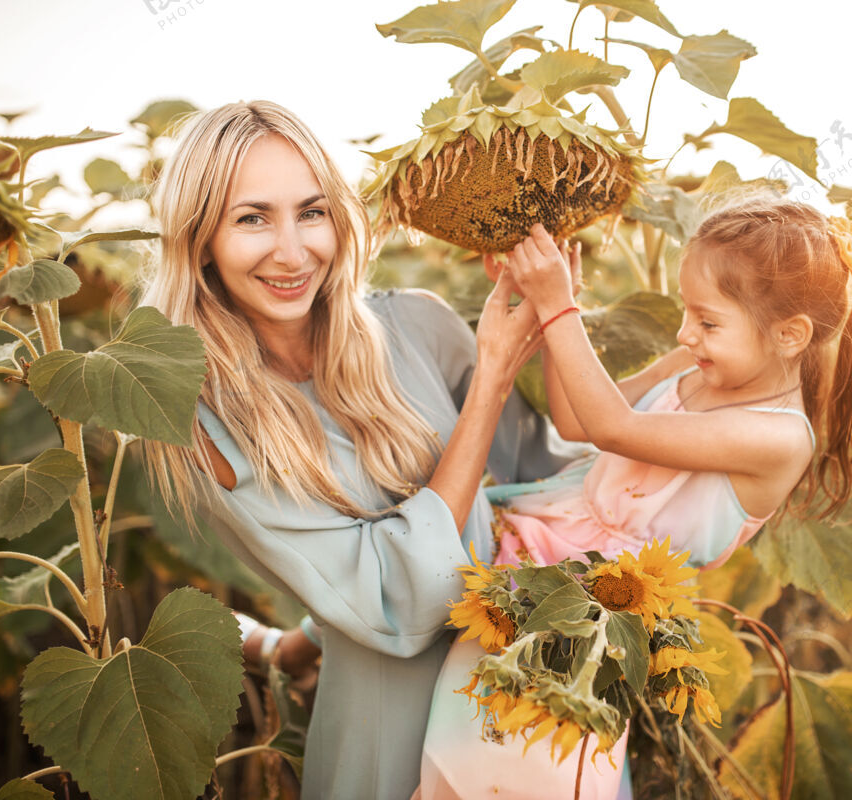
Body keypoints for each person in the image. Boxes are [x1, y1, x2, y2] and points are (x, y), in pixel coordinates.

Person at [139, 100, 577, 800]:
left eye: (311, 212)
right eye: (252, 218)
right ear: (200, 241)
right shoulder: (209, 426)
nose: (293, 251)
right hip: (391, 745)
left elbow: (545, 482)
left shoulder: (418, 324)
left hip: (536, 716)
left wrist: (686, 379)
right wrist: (490, 381)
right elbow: (397, 604)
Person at [419, 197, 852, 799]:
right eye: (686, 313)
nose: (685, 332)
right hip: (534, 559)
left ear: (790, 335)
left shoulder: (778, 436)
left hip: (592, 617)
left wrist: (562, 306)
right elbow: (575, 420)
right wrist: (546, 305)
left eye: (708, 321)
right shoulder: (694, 366)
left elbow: (614, 427)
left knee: (523, 774)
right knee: (464, 762)